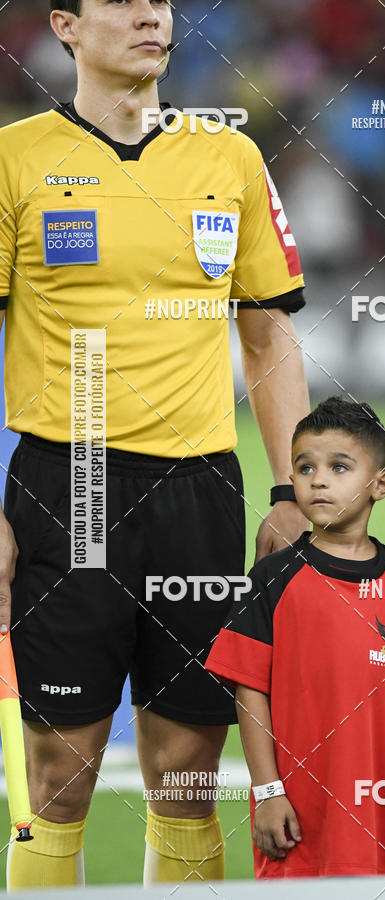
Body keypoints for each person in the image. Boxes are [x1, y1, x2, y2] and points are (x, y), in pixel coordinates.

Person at [0, 0, 310, 888]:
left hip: (199, 490)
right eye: (122, 1)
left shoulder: (230, 156)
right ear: (64, 25)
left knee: (187, 776)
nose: (149, 15)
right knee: (60, 777)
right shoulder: (13, 159)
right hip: (71, 485)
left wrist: (287, 492)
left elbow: (267, 338)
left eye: (160, 2)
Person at [205, 397, 385, 878]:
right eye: (305, 467)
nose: (317, 479)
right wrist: (267, 792)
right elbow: (249, 691)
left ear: (380, 484)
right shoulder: (271, 580)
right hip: (296, 823)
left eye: (339, 467)